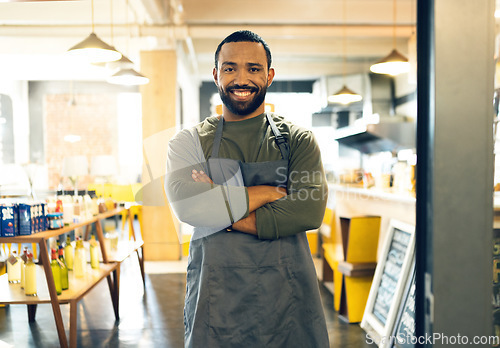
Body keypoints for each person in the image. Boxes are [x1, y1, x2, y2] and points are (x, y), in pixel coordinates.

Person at [165, 30, 329, 348]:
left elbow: (309, 210)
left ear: (269, 75)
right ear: (216, 75)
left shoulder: (298, 139)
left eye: (253, 69)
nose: (242, 79)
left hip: (288, 295)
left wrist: (220, 209)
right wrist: (269, 193)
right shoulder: (188, 142)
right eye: (230, 68)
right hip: (217, 298)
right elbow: (189, 209)